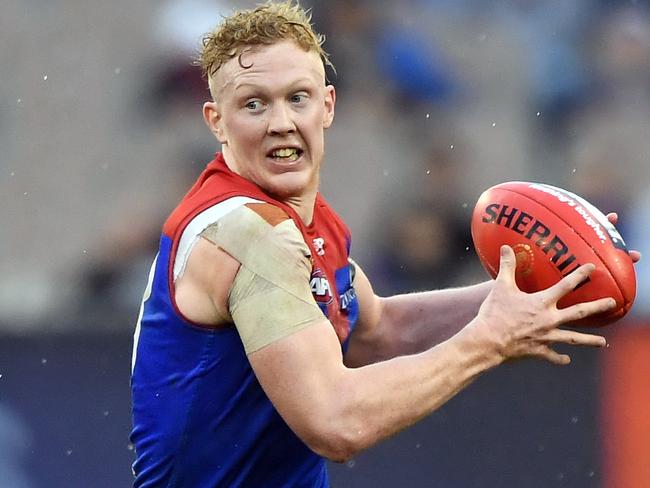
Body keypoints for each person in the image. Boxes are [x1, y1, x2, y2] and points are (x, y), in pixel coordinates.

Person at [129, 2, 640, 487]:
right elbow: (336, 421)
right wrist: (486, 341)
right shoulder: (249, 234)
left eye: (297, 97)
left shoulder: (302, 223)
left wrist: (547, 288)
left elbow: (376, 331)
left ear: (327, 105)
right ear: (215, 120)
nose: (281, 121)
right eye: (253, 104)